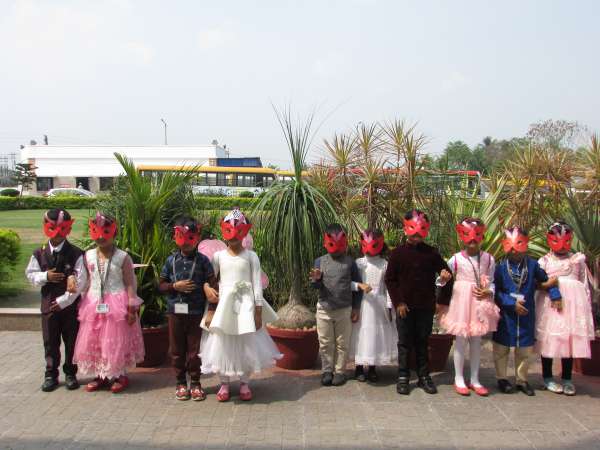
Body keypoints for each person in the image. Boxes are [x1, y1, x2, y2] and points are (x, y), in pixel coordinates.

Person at [200, 209, 281, 402]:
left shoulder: (251, 257)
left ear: (244, 233)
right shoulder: (219, 256)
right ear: (223, 233)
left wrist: (258, 310)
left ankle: (244, 382)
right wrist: (205, 287)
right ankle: (224, 383)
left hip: (246, 304)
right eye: (229, 232)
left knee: (247, 342)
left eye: (238, 233)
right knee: (223, 343)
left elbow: (256, 284)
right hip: (224, 305)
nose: (234, 238)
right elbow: (210, 278)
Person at [73, 212, 145, 393]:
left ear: (114, 233)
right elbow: (86, 280)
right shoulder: (88, 255)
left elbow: (130, 283)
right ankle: (101, 375)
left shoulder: (122, 257)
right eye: (96, 232)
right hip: (94, 301)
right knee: (95, 339)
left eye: (105, 232)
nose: (100, 237)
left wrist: (130, 307)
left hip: (117, 303)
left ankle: (119, 374)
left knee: (115, 340)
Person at [385, 210, 453, 395]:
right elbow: (390, 280)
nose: (416, 233)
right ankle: (403, 376)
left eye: (421, 229)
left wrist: (442, 295)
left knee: (423, 341)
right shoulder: (397, 254)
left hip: (425, 305)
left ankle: (424, 376)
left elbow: (447, 275)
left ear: (426, 230)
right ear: (406, 229)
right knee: (404, 342)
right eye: (413, 228)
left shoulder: (431, 253)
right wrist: (398, 302)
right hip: (404, 307)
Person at [493, 226, 561, 396]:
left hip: (526, 315)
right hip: (506, 316)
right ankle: (502, 378)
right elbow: (496, 292)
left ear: (526, 245)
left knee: (524, 350)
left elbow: (547, 281)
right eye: (511, 246)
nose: (515, 251)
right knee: (501, 348)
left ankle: (522, 380)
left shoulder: (532, 265)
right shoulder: (500, 268)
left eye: (519, 246)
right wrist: (510, 303)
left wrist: (556, 295)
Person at [159, 216, 219, 401]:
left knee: (194, 351)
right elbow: (160, 285)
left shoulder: (203, 261)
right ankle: (180, 383)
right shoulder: (170, 261)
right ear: (175, 237)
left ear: (197, 237)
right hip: (175, 313)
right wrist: (174, 286)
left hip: (195, 313)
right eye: (181, 237)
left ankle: (195, 382)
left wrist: (211, 308)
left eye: (190, 238)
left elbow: (214, 284)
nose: (185, 243)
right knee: (177, 350)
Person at [25, 208, 85, 392]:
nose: (58, 232)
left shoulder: (76, 253)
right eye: (53, 227)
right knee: (50, 341)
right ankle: (51, 374)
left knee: (71, 340)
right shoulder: (39, 253)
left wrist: (64, 301)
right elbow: (30, 275)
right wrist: (46, 277)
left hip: (69, 307)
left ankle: (70, 373)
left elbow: (81, 281)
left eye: (62, 227)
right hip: (48, 305)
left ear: (68, 228)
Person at [439, 218, 499, 396]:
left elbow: (493, 281)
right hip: (461, 302)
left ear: (482, 236)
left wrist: (489, 291)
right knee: (460, 340)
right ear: (461, 236)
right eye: (468, 234)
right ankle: (458, 378)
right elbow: (444, 278)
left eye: (477, 234)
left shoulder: (489, 259)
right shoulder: (456, 259)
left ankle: (475, 379)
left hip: (479, 301)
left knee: (477, 341)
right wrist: (442, 279)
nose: (472, 239)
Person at [536, 221, 595, 396]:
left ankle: (567, 378)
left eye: (566, 241)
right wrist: (548, 286)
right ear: (549, 240)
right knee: (550, 339)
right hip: (550, 307)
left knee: (568, 341)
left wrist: (586, 307)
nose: (561, 246)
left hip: (573, 309)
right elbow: (538, 283)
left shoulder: (578, 260)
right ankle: (547, 377)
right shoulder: (544, 261)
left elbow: (584, 284)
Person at [310, 223, 363, 387]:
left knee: (342, 342)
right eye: (332, 244)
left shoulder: (350, 262)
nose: (337, 249)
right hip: (324, 308)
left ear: (345, 244)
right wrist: (317, 279)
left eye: (341, 245)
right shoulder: (320, 261)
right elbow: (315, 287)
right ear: (325, 243)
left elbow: (357, 286)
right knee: (325, 342)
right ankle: (327, 370)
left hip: (344, 309)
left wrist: (356, 307)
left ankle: (340, 371)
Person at [350, 229, 398, 383]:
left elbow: (389, 286)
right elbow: (348, 283)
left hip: (379, 305)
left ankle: (372, 367)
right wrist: (359, 286)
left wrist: (390, 305)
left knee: (376, 335)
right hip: (362, 305)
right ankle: (358, 366)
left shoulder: (385, 264)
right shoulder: (358, 263)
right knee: (360, 334)